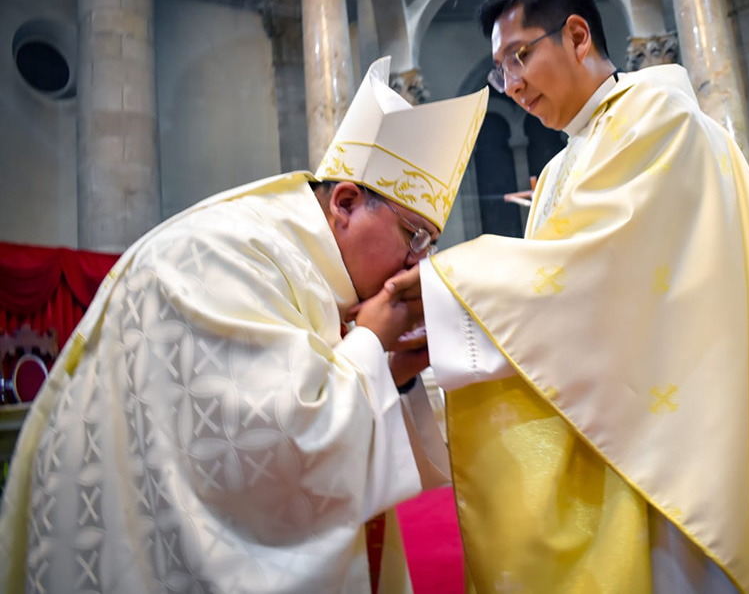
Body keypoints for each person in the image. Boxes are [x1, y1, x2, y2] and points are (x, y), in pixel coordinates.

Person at [387, 0, 749, 593]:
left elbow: (594, 273)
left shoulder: (656, 116)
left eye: (519, 56)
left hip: (684, 438)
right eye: (499, 71)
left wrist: (439, 289)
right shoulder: (568, 161)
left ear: (575, 35)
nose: (511, 85)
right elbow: (562, 307)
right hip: (625, 428)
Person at [0, 57, 487, 593]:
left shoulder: (302, 268)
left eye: (429, 245)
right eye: (414, 235)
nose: (418, 262)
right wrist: (371, 344)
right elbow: (267, 456)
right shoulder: (225, 256)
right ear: (345, 203)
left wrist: (391, 373)